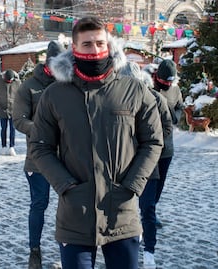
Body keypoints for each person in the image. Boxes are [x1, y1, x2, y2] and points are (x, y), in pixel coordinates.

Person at [29, 17, 163, 269]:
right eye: (87, 44)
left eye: (100, 43)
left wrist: (133, 184)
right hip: (75, 213)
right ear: (75, 48)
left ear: (109, 45)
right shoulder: (55, 95)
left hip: (122, 210)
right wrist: (65, 185)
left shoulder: (133, 90)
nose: (95, 50)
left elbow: (153, 141)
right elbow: (40, 146)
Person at [12, 40, 65, 269]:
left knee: (69, 205)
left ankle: (68, 248)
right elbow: (18, 120)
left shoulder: (68, 84)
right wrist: (42, 129)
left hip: (67, 157)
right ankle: (35, 250)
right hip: (39, 158)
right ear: (47, 63)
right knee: (39, 204)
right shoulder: (29, 87)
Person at [120, 62, 173, 269]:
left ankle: (149, 250)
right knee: (122, 210)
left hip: (148, 165)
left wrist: (150, 146)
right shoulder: (114, 98)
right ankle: (123, 245)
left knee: (148, 208)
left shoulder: (155, 98)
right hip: (121, 165)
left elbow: (167, 126)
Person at [151, 59, 183, 228]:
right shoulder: (147, 87)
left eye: (171, 82)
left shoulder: (175, 90)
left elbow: (180, 107)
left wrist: (174, 117)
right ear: (157, 77)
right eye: (165, 82)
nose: (168, 85)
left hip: (167, 147)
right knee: (148, 181)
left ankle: (151, 210)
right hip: (148, 146)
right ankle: (145, 211)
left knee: (160, 182)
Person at [0, 69, 21, 156]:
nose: (8, 82)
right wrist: (0, 98)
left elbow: (21, 94)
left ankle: (12, 146)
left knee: (12, 128)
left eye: (10, 81)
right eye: (7, 80)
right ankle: (3, 146)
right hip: (2, 108)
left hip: (14, 108)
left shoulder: (18, 82)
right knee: (3, 128)